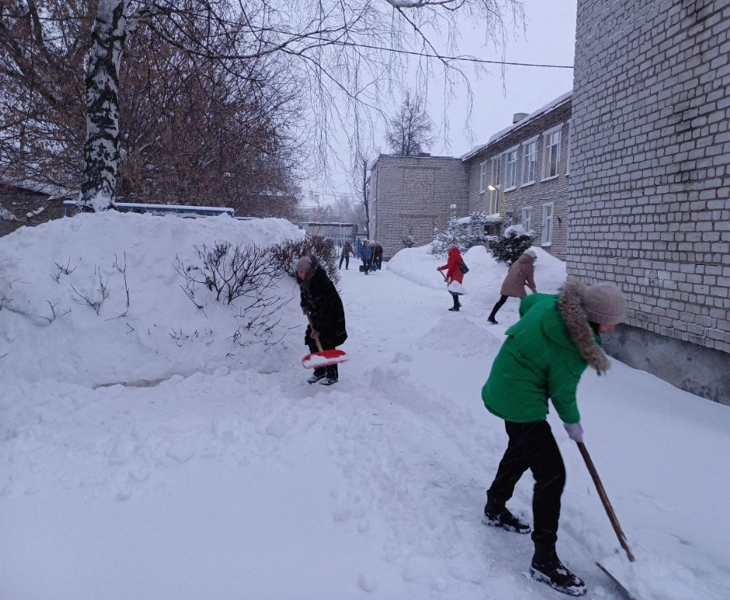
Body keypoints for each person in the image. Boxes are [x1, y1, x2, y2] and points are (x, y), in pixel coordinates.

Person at [481, 281, 627, 597]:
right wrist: (573, 426)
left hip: (503, 379)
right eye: (611, 321)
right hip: (519, 396)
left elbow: (527, 303)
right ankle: (544, 561)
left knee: (521, 450)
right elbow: (563, 393)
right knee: (552, 474)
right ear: (595, 317)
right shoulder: (573, 347)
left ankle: (495, 506)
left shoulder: (554, 303)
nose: (614, 327)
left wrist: (529, 349)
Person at [296, 255, 347, 386]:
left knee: (327, 341)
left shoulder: (322, 283)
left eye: (302, 272)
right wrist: (305, 304)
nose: (300, 275)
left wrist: (317, 327)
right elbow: (304, 294)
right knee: (311, 339)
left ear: (308, 271)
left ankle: (332, 374)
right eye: (299, 272)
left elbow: (326, 307)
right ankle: (320, 370)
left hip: (331, 314)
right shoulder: (306, 281)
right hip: (318, 314)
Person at [488, 249, 537, 324]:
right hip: (517, 285)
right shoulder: (529, 265)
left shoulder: (517, 261)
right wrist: (533, 289)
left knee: (502, 300)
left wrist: (520, 278)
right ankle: (528, 320)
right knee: (525, 301)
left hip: (507, 283)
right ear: (531, 257)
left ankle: (491, 316)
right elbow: (530, 279)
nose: (534, 259)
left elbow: (510, 271)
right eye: (534, 258)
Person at [436, 244, 466, 311]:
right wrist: (441, 268)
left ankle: (456, 307)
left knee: (453, 290)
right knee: (454, 289)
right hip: (459, 274)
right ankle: (457, 304)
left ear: (451, 249)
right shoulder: (456, 254)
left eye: (448, 249)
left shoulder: (452, 255)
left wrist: (447, 277)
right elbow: (450, 265)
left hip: (456, 274)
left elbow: (451, 268)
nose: (447, 251)